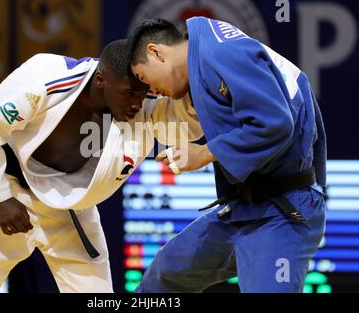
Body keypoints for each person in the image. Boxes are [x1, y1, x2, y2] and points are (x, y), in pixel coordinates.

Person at [0, 39, 203, 292]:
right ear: (101, 80)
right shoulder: (48, 76)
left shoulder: (139, 107)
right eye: (129, 93)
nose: (137, 101)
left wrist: (200, 82)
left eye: (143, 93)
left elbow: (184, 122)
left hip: (69, 207)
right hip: (7, 192)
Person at [127, 17, 327, 293]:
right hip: (241, 209)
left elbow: (275, 123)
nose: (150, 91)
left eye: (143, 78)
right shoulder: (206, 56)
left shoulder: (220, 51)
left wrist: (206, 152)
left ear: (156, 52)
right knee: (164, 275)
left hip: (282, 214)